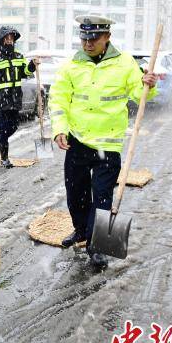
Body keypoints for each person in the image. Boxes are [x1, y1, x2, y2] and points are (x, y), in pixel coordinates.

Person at [49, 15, 158, 268]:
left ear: (107, 37)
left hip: (107, 145)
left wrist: (148, 85)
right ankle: (82, 231)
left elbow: (139, 92)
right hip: (77, 141)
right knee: (75, 194)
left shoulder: (124, 63)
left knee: (101, 196)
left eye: (93, 38)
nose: (87, 43)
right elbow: (59, 99)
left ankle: (97, 246)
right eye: (84, 38)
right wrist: (59, 130)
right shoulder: (72, 65)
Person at [0, 26, 39, 167]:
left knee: (13, 127)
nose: (10, 41)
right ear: (1, 39)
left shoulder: (18, 56)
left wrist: (32, 66)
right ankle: (4, 159)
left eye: (12, 38)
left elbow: (26, 73)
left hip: (15, 98)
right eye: (7, 38)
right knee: (3, 128)